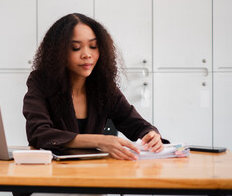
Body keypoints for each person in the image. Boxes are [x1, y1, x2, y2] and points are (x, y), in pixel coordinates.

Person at [23, 13, 168, 162]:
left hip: (92, 172)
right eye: (75, 48)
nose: (87, 54)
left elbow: (133, 122)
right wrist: (99, 141)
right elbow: (38, 133)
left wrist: (150, 134)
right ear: (58, 53)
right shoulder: (41, 81)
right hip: (51, 173)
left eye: (93, 46)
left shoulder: (102, 85)